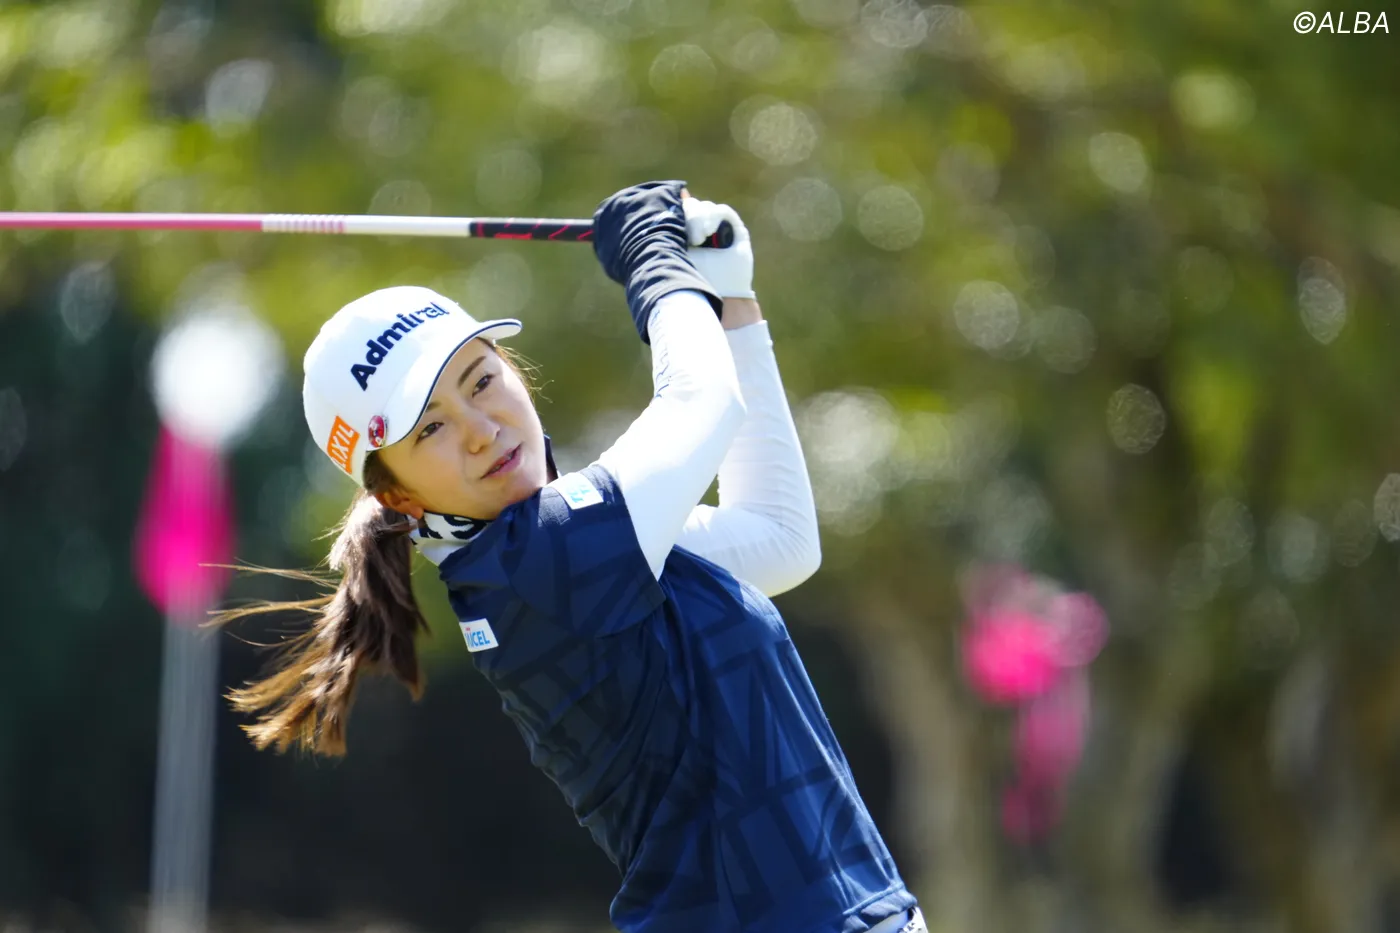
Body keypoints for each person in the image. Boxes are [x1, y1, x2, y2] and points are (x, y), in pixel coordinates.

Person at [220, 181, 924, 933]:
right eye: (431, 429)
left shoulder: (566, 552)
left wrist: (730, 302)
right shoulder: (540, 562)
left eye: (481, 381)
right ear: (397, 495)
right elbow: (702, 401)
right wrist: (655, 261)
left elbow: (777, 538)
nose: (482, 429)